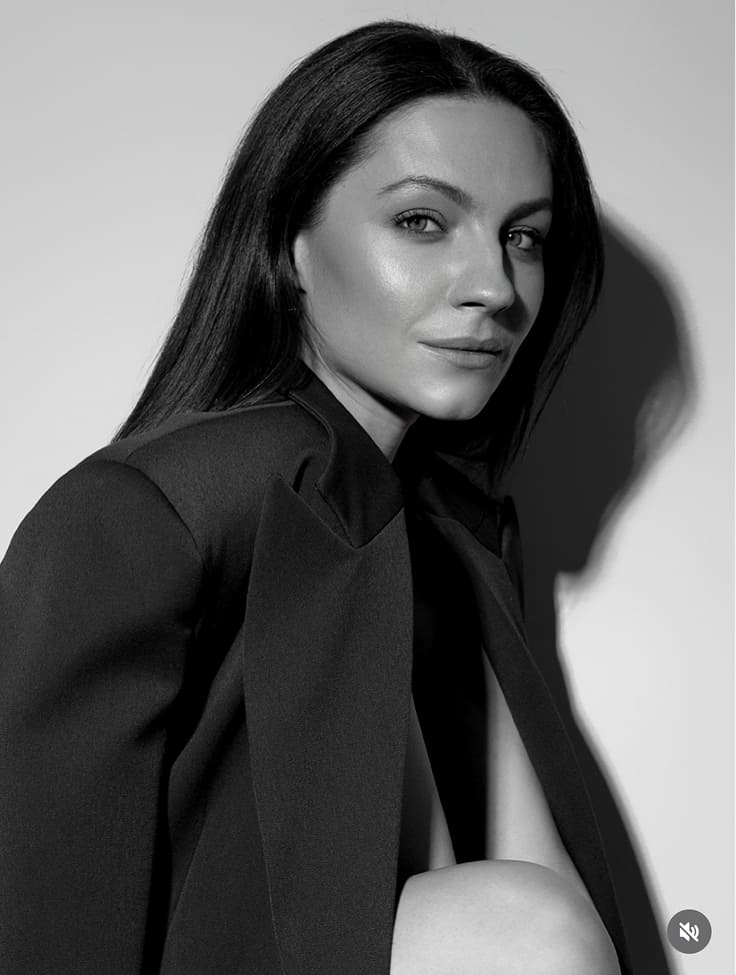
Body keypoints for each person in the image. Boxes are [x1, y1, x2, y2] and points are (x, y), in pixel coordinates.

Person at [0, 20, 630, 975]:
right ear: (290, 244)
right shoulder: (148, 513)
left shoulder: (452, 536)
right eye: (423, 222)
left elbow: (551, 900)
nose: (494, 287)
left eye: (524, 238)